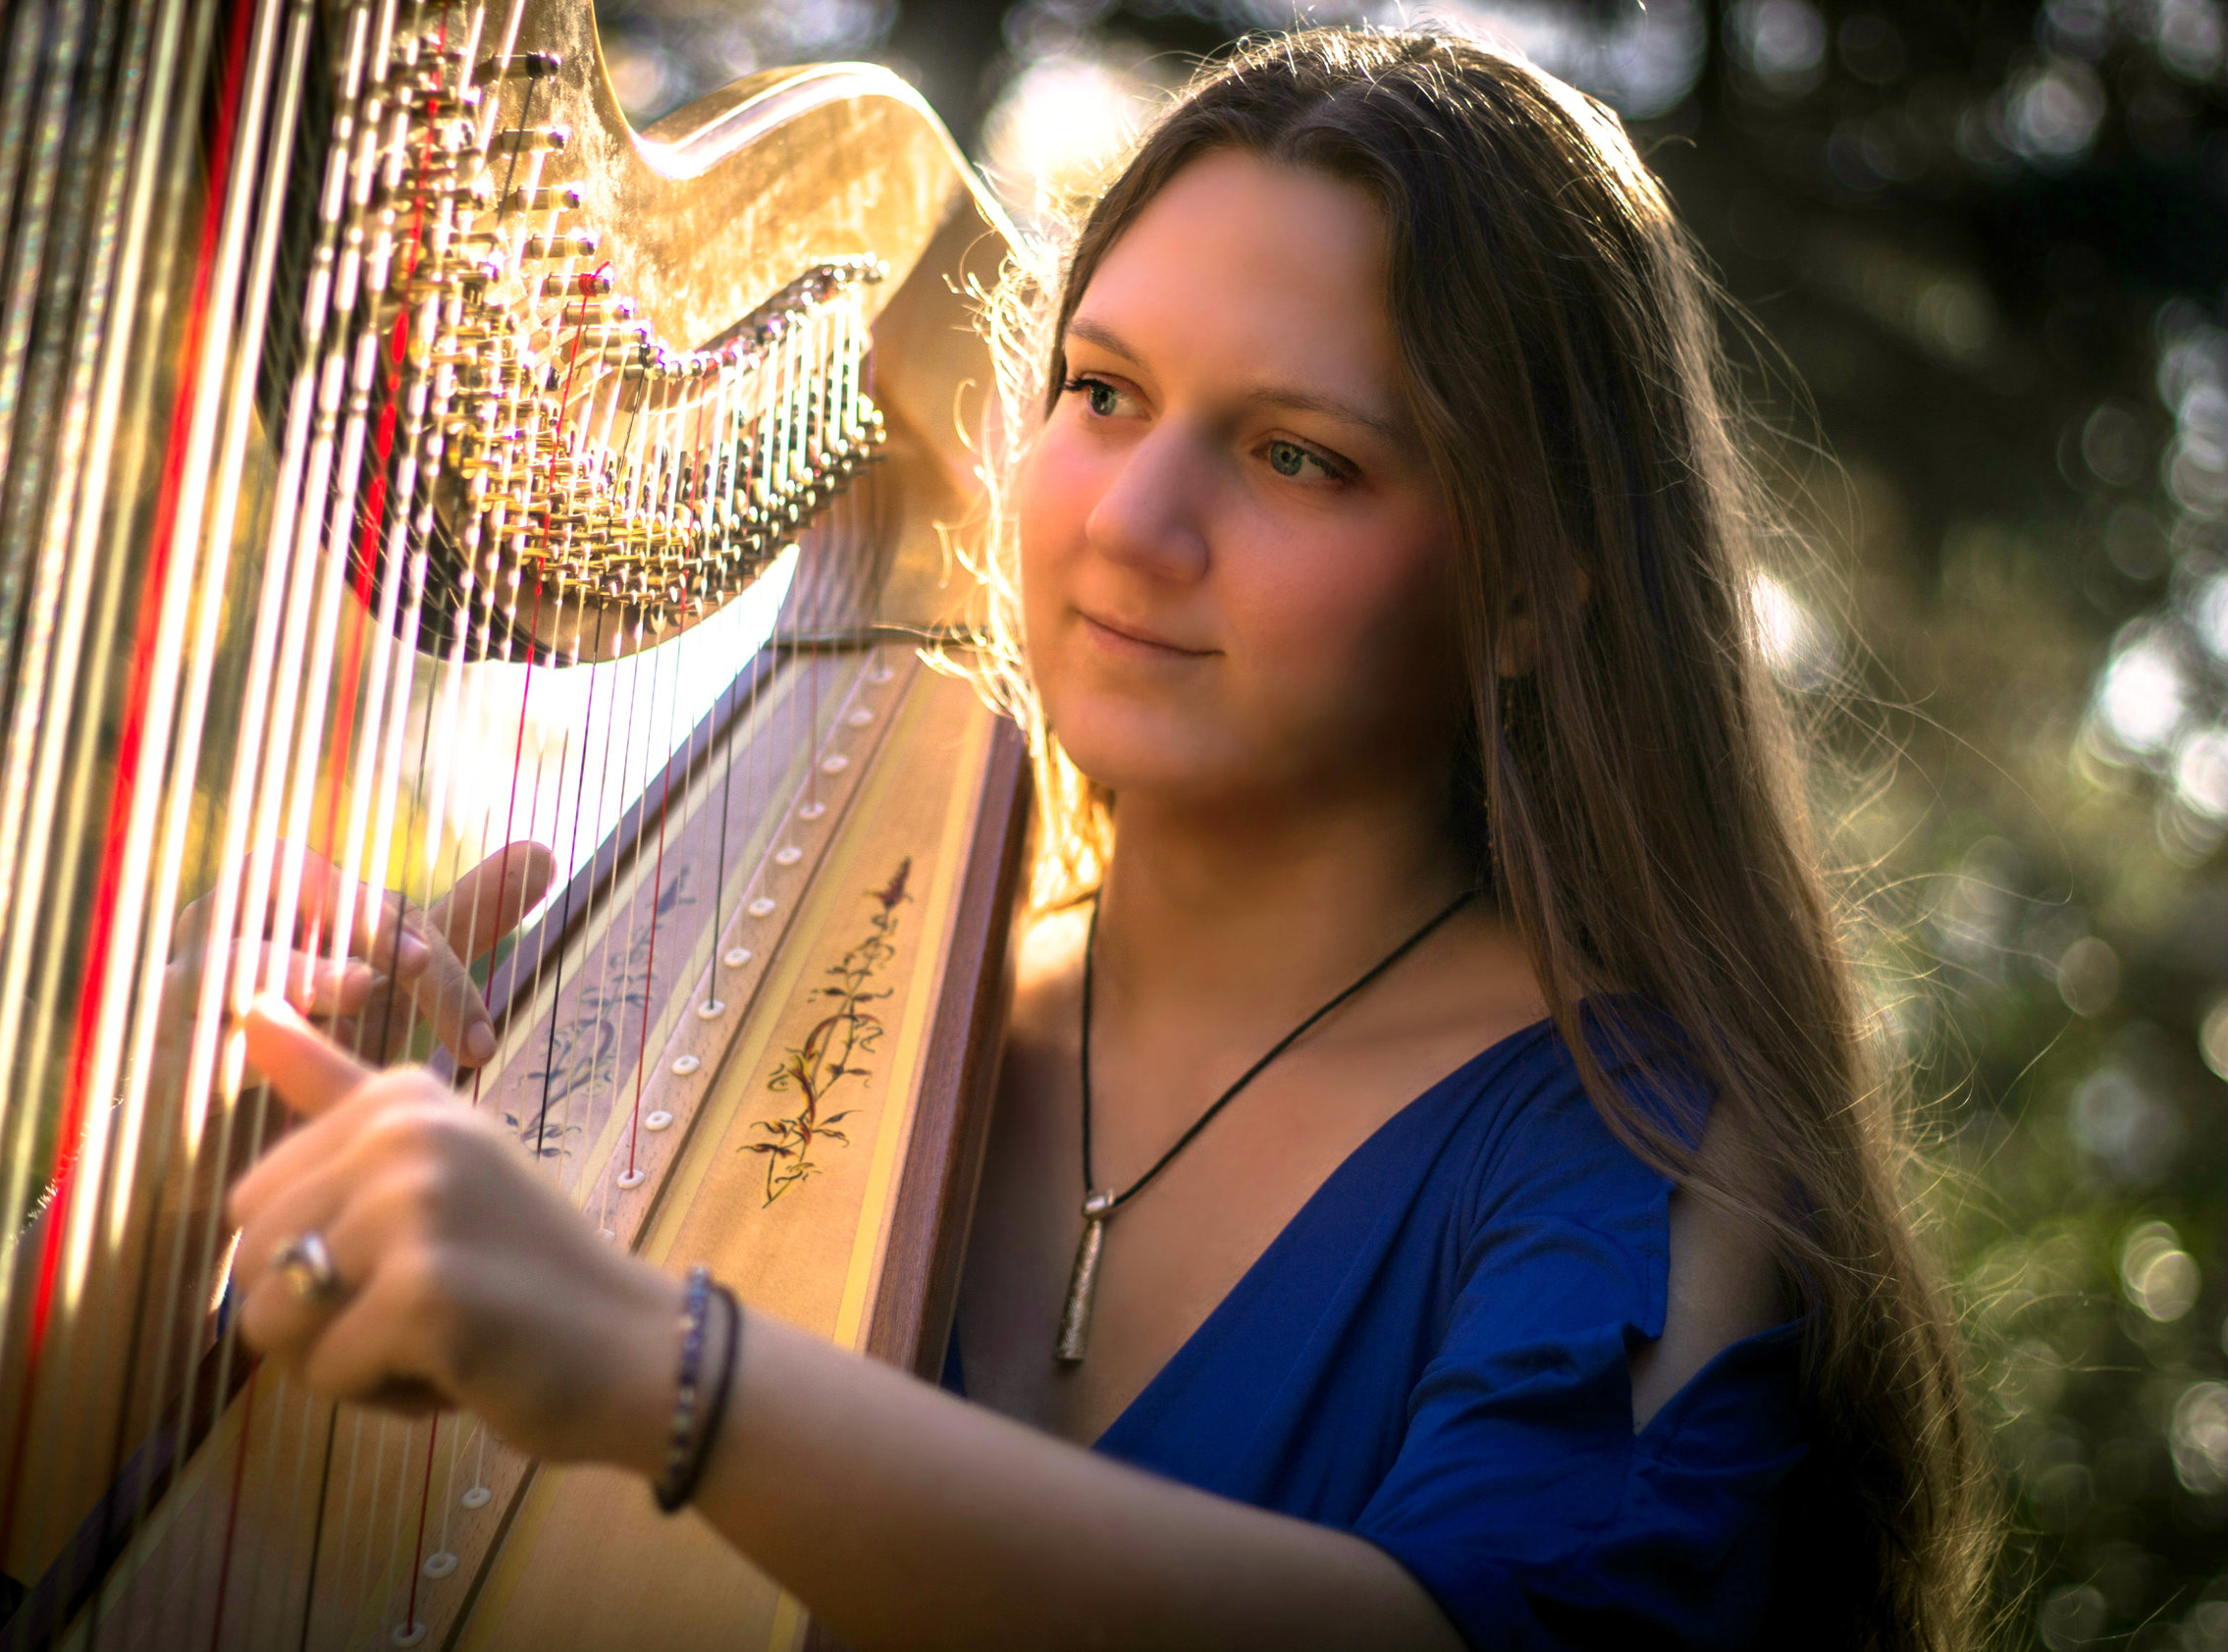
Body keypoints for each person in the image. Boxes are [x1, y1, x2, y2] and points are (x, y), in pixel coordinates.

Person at [225, 27, 1992, 1651]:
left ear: (1532, 593)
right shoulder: (859, 1018)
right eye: (1102, 391)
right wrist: (249, 1195)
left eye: (1298, 457)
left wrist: (669, 1375)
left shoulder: (1641, 1147)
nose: (1134, 525)